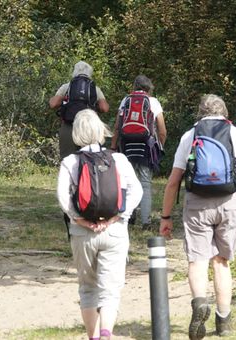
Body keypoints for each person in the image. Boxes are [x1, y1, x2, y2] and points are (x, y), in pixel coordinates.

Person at [159, 95, 236, 339]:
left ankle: (200, 302)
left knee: (197, 260)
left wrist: (166, 216)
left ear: (200, 113)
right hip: (228, 204)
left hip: (197, 204)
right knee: (221, 261)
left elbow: (173, 182)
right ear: (224, 112)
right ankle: (223, 321)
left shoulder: (189, 136)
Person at [57, 109, 142, 340]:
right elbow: (137, 191)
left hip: (82, 233)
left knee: (87, 289)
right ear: (100, 130)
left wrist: (80, 219)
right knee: (110, 289)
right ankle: (106, 334)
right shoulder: (118, 159)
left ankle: (93, 337)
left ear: (76, 133)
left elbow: (64, 198)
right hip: (114, 232)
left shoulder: (70, 162)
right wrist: (118, 217)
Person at [110, 75, 167, 230]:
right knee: (145, 184)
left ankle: (129, 218)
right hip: (145, 148)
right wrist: (159, 147)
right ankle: (146, 222)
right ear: (149, 88)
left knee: (128, 183)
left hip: (127, 147)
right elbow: (162, 131)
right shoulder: (153, 102)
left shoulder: (125, 100)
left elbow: (117, 126)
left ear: (134, 86)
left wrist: (113, 147)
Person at [49, 61, 110, 159]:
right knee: (90, 158)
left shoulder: (67, 86)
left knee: (67, 158)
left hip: (69, 126)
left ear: (74, 72)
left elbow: (53, 104)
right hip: (89, 128)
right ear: (89, 73)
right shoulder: (94, 88)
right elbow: (104, 108)